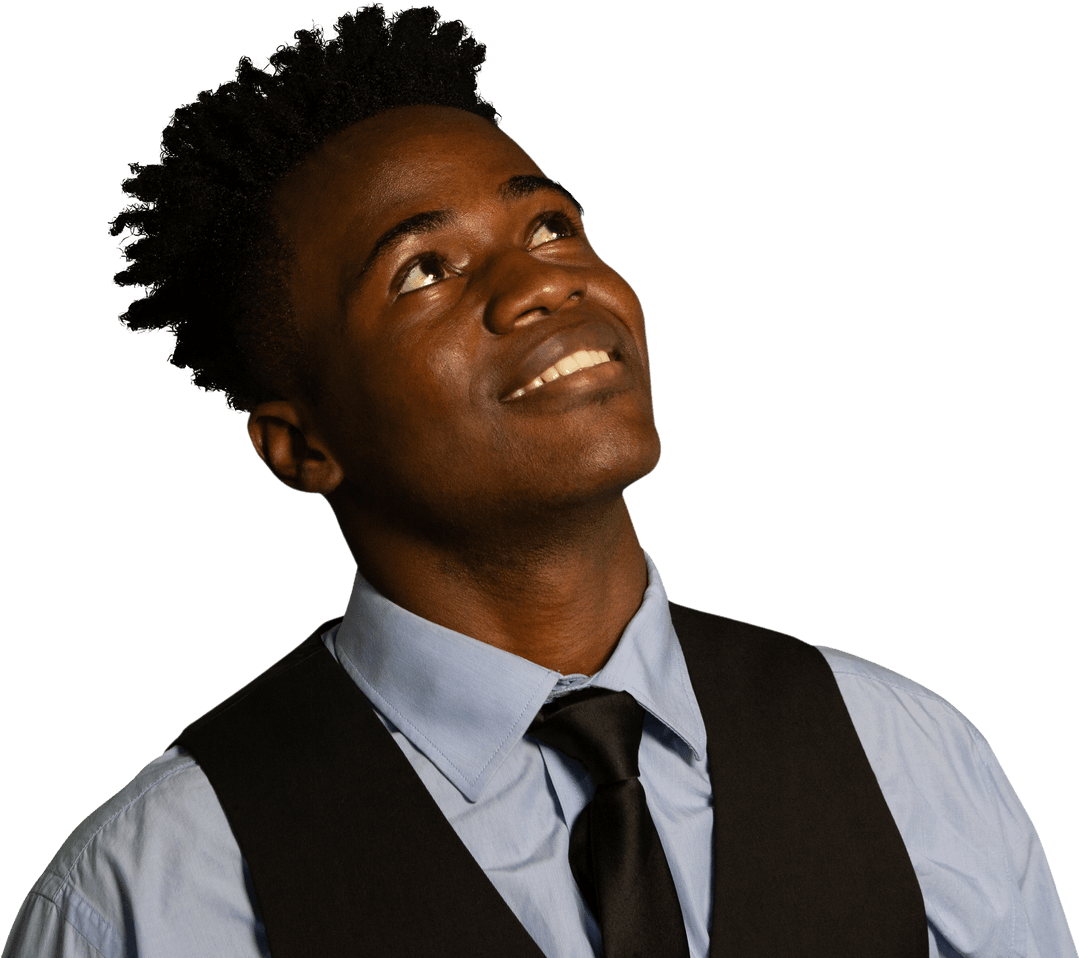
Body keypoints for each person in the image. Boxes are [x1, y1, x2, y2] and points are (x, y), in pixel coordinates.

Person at [3, 5, 1075, 957]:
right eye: (422, 268)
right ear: (301, 446)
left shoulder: (907, 755)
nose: (541, 283)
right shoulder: (153, 891)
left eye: (551, 223)